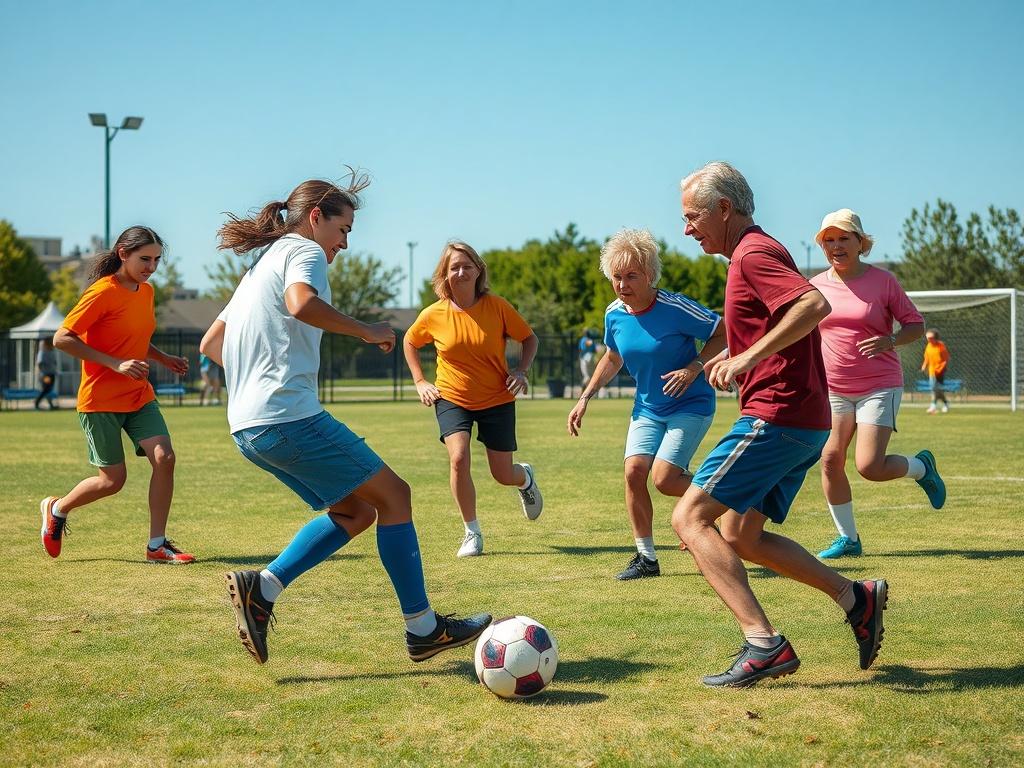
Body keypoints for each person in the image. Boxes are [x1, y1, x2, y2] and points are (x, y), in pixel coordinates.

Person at [200, 174, 490, 666]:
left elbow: (211, 345)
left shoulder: (258, 267)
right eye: (344, 228)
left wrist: (257, 377)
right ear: (317, 218)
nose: (345, 243)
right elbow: (301, 304)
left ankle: (262, 590)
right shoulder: (303, 251)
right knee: (396, 496)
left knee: (357, 512)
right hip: (287, 417)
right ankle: (423, 629)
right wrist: (365, 331)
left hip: (247, 427)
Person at [671, 162, 887, 688]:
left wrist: (746, 361)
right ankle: (854, 596)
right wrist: (716, 360)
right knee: (742, 533)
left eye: (692, 216)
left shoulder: (752, 252)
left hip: (778, 414)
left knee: (689, 519)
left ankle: (764, 644)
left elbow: (813, 304)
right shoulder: (751, 253)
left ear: (725, 208)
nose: (686, 228)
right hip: (803, 419)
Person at [567, 229, 725, 580]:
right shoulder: (614, 315)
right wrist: (585, 397)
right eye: (617, 277)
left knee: (666, 480)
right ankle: (646, 558)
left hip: (691, 403)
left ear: (651, 275)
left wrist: (694, 367)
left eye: (632, 276)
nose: (623, 284)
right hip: (648, 409)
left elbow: (723, 331)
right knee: (633, 472)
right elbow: (612, 357)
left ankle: (718, 503)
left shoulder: (675, 307)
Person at [40, 226, 194, 564]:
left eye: (156, 260)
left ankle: (157, 546)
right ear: (123, 253)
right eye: (144, 259)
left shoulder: (147, 291)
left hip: (139, 395)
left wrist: (162, 357)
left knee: (164, 458)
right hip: (100, 401)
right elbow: (62, 338)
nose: (151, 266)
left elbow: (134, 336)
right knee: (112, 481)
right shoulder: (101, 292)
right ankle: (58, 508)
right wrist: (116, 364)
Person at [810, 209, 945, 560]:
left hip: (878, 385)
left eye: (844, 238)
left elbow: (915, 325)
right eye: (829, 240)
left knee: (869, 466)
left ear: (860, 242)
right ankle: (848, 539)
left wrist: (891, 341)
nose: (836, 246)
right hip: (834, 388)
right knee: (830, 459)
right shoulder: (814, 287)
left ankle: (921, 468)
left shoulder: (884, 282)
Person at [404, 241, 542, 559]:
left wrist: (521, 370)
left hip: (498, 396)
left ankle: (525, 478)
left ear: (478, 270)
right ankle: (472, 532)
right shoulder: (434, 313)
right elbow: (410, 342)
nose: (462, 272)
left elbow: (529, 338)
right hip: (452, 397)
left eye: (468, 265)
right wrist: (421, 381)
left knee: (502, 474)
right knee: (458, 458)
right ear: (445, 274)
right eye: (455, 267)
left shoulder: (497, 306)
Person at [921, 329, 950, 414]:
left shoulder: (941, 346)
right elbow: (927, 357)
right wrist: (924, 366)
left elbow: (946, 359)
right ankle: (945, 403)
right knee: (936, 389)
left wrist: (941, 368)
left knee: (934, 389)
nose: (929, 339)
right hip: (931, 371)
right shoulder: (929, 346)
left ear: (935, 337)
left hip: (939, 371)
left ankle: (934, 405)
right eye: (927, 338)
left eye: (931, 337)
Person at [35, 338, 59, 410]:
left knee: (49, 389)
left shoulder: (52, 352)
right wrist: (40, 374)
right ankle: (37, 403)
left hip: (52, 374)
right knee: (45, 389)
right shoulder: (42, 352)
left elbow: (55, 362)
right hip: (45, 375)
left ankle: (51, 405)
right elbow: (39, 364)